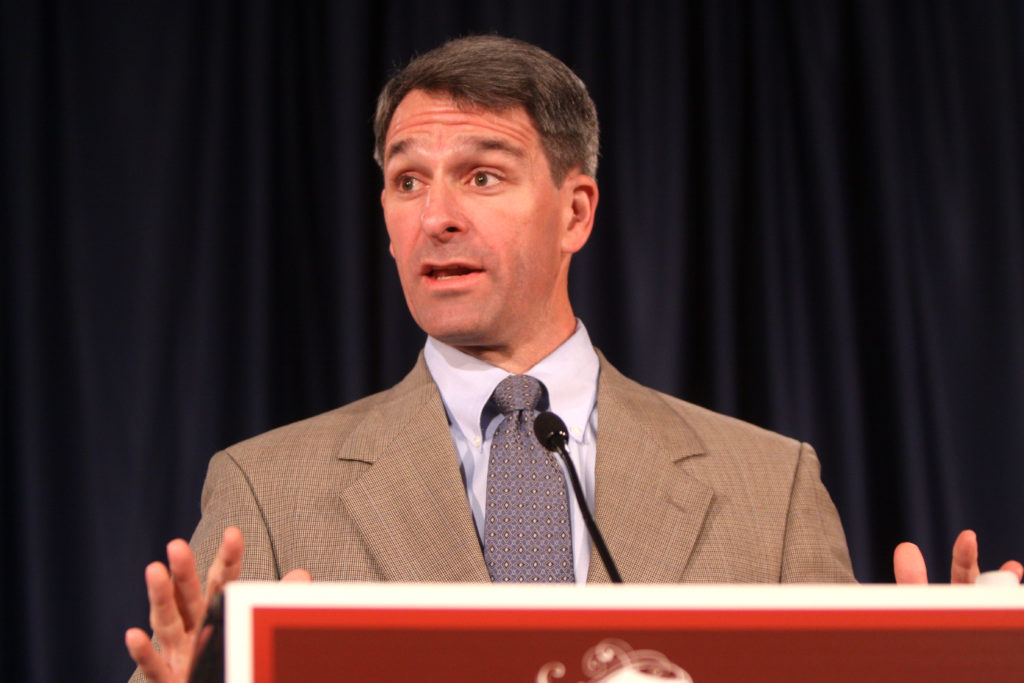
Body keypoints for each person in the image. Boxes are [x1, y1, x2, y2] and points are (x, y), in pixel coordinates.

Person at [125, 35, 1022, 682]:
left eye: (482, 175)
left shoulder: (770, 486)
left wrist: (937, 666)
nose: (435, 215)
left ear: (576, 212)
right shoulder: (268, 488)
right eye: (407, 180)